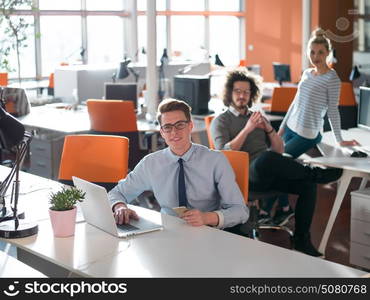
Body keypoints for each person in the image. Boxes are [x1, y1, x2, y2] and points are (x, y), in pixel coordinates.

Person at [210, 68, 343, 256]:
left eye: (246, 92)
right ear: (229, 93)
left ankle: (301, 240)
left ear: (251, 94)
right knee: (265, 158)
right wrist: (247, 129)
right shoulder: (221, 121)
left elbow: (279, 150)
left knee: (307, 185)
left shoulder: (256, 118)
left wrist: (269, 130)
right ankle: (315, 172)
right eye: (238, 91)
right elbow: (223, 152)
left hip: (266, 172)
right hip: (241, 178)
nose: (242, 96)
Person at [108, 98, 249, 231]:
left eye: (180, 125)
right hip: (168, 231)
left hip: (207, 230)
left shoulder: (215, 160)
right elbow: (117, 193)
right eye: (168, 127)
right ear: (162, 132)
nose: (174, 132)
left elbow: (240, 211)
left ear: (190, 126)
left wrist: (207, 218)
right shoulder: (151, 163)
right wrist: (119, 206)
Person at [278, 28, 359, 159]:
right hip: (289, 127)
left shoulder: (332, 79)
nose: (315, 56)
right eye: (312, 52)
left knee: (279, 160)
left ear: (328, 53)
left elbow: (333, 111)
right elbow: (295, 102)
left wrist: (339, 140)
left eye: (320, 52)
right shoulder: (306, 73)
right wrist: (281, 128)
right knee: (274, 158)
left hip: (307, 134)